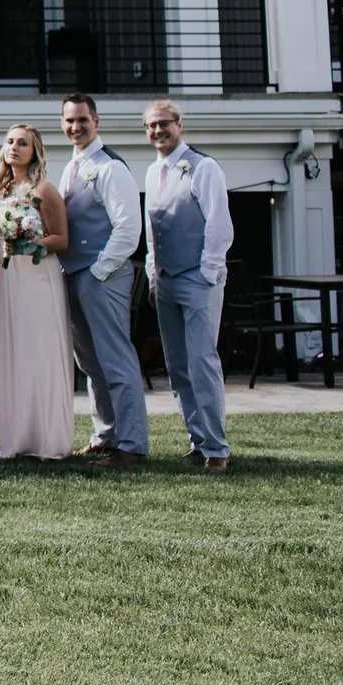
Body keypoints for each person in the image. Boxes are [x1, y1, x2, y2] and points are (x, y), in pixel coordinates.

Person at [61, 94, 151, 466]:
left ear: (96, 122)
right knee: (90, 363)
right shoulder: (71, 167)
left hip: (103, 276)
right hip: (74, 275)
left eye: (82, 119)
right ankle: (105, 435)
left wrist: (98, 271)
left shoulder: (111, 167)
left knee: (116, 360)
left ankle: (132, 444)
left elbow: (128, 229)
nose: (76, 127)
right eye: (69, 121)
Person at [142, 101, 233, 471]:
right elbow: (153, 231)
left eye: (164, 123)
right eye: (151, 126)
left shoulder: (204, 167)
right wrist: (153, 276)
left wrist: (208, 272)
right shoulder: (152, 172)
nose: (158, 131)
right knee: (177, 365)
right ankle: (198, 439)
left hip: (197, 279)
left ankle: (217, 448)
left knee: (201, 361)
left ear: (179, 125)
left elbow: (219, 224)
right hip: (166, 281)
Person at [0, 123, 74, 461]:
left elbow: (62, 239)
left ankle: (48, 439)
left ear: (35, 151)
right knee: (16, 351)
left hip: (38, 277)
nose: (14, 147)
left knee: (40, 352)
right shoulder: (4, 189)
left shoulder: (44, 189)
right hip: (10, 277)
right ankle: (18, 436)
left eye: (22, 143)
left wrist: (30, 244)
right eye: (10, 141)